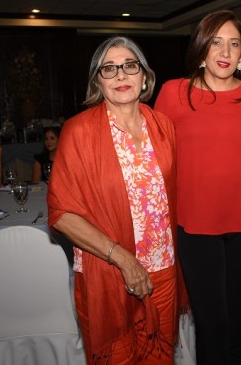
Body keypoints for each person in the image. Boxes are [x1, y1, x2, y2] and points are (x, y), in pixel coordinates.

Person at [48, 36, 184, 364]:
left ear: (145, 76)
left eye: (129, 66)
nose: (121, 76)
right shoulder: (78, 131)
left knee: (159, 358)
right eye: (109, 69)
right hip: (108, 272)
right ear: (98, 80)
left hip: (162, 270)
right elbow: (61, 213)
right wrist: (124, 260)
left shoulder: (162, 126)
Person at [154, 9, 241, 365]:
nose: (225, 52)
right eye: (217, 42)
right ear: (202, 47)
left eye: (234, 44)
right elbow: (153, 154)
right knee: (212, 323)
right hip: (196, 226)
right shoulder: (174, 92)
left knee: (236, 319)